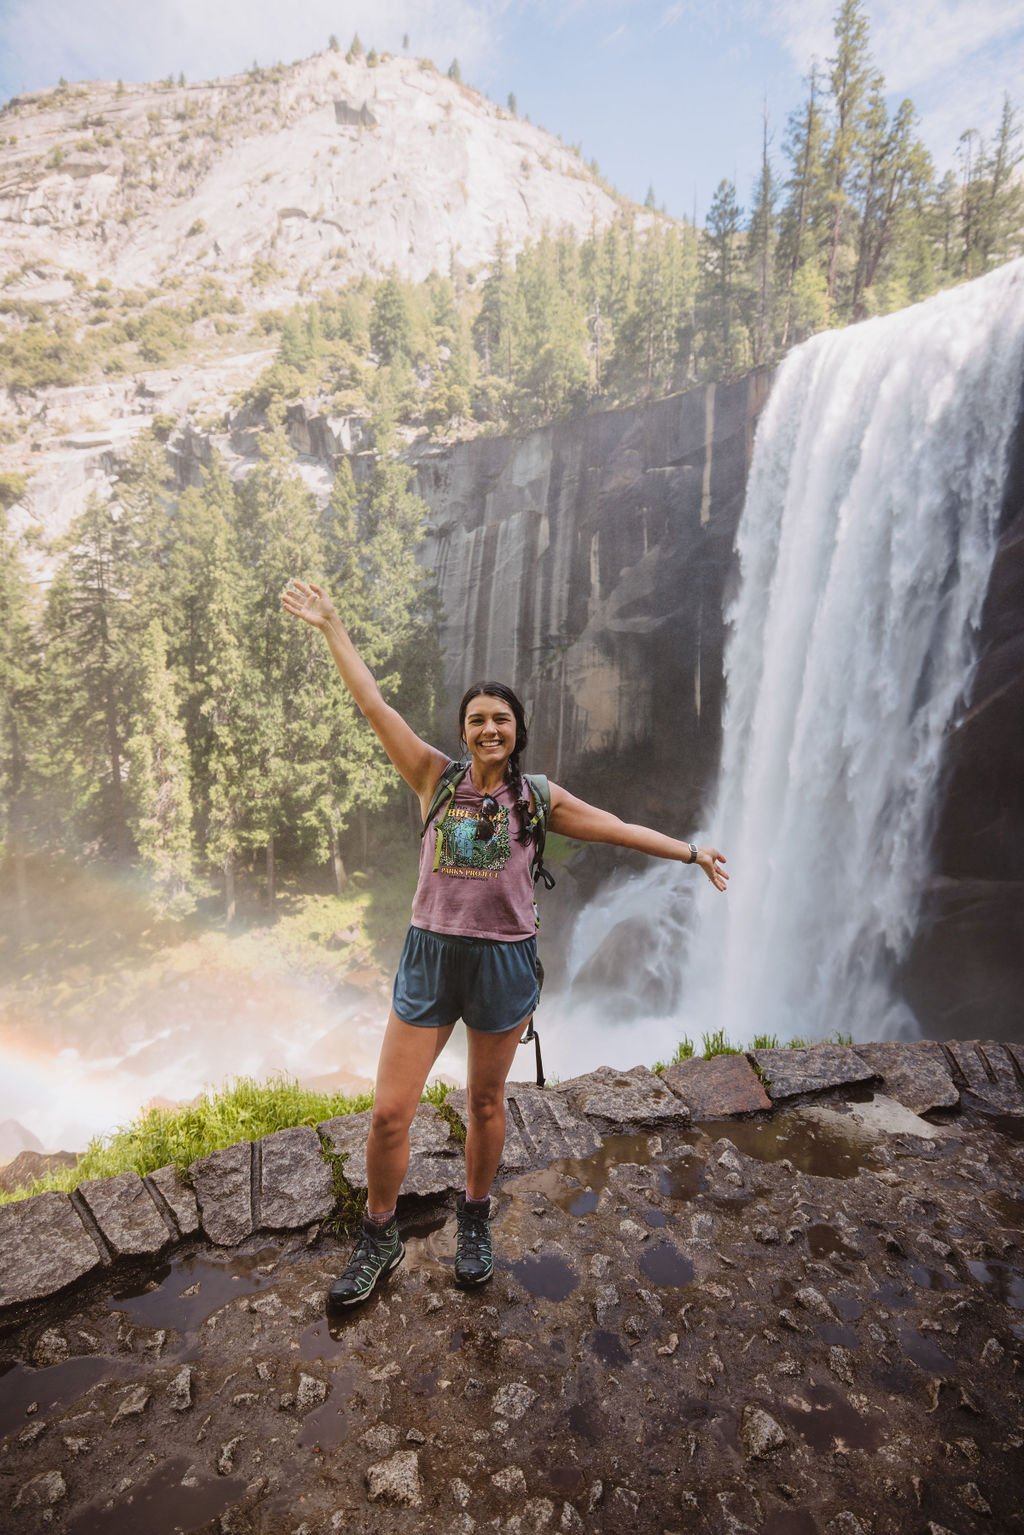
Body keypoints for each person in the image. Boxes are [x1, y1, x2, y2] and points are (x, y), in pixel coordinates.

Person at [281, 579, 728, 1307]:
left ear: (516, 729)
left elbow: (614, 825)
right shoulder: (432, 776)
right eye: (478, 719)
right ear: (463, 732)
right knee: (391, 1110)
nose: (490, 729)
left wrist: (691, 851)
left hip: (501, 964)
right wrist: (332, 624)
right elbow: (374, 705)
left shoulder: (538, 798)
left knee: (487, 1104)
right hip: (431, 957)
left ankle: (476, 1216)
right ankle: (380, 1232)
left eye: (502, 719)